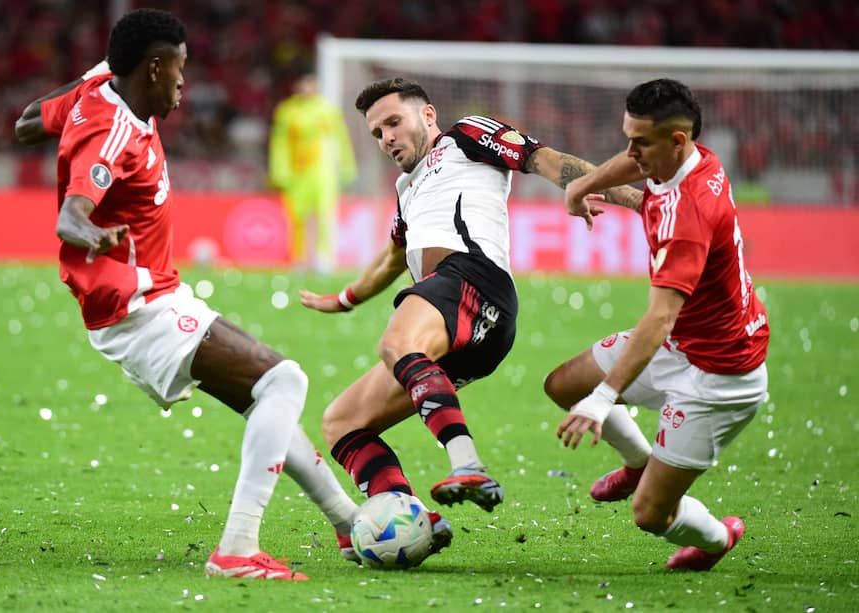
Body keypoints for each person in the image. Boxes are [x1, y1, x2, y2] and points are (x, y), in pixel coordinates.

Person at [13, 8, 359, 581]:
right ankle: (237, 550)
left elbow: (28, 121)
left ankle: (347, 522)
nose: (183, 82)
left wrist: (97, 73)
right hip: (136, 306)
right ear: (152, 67)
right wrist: (94, 233)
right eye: (179, 69)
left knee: (263, 398)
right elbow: (71, 216)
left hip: (153, 296)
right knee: (285, 380)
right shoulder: (112, 130)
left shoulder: (101, 93)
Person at [300, 78, 640, 555]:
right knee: (341, 423)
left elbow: (546, 160)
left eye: (394, 123)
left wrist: (643, 204)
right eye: (377, 133)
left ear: (428, 115)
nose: (387, 139)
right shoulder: (405, 189)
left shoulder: (465, 137)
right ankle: (411, 521)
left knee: (397, 344)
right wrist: (344, 299)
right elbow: (391, 259)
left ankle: (467, 464)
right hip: (455, 322)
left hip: (474, 282)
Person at [546, 78, 770, 571]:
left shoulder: (687, 218)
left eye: (640, 142)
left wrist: (604, 400)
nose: (630, 151)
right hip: (686, 343)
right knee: (564, 384)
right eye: (629, 136)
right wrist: (583, 184)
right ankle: (638, 463)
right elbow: (639, 170)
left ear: (677, 141)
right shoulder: (692, 159)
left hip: (719, 375)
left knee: (650, 515)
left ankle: (717, 539)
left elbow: (659, 317)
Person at [268, 66, 357, 273]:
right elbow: (279, 143)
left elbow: (341, 139)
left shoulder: (327, 110)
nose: (307, 88)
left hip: (323, 172)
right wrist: (280, 169)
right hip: (298, 171)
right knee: (297, 215)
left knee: (325, 213)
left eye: (311, 83)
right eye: (303, 83)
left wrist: (346, 166)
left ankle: (323, 258)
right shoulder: (287, 111)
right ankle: (299, 258)